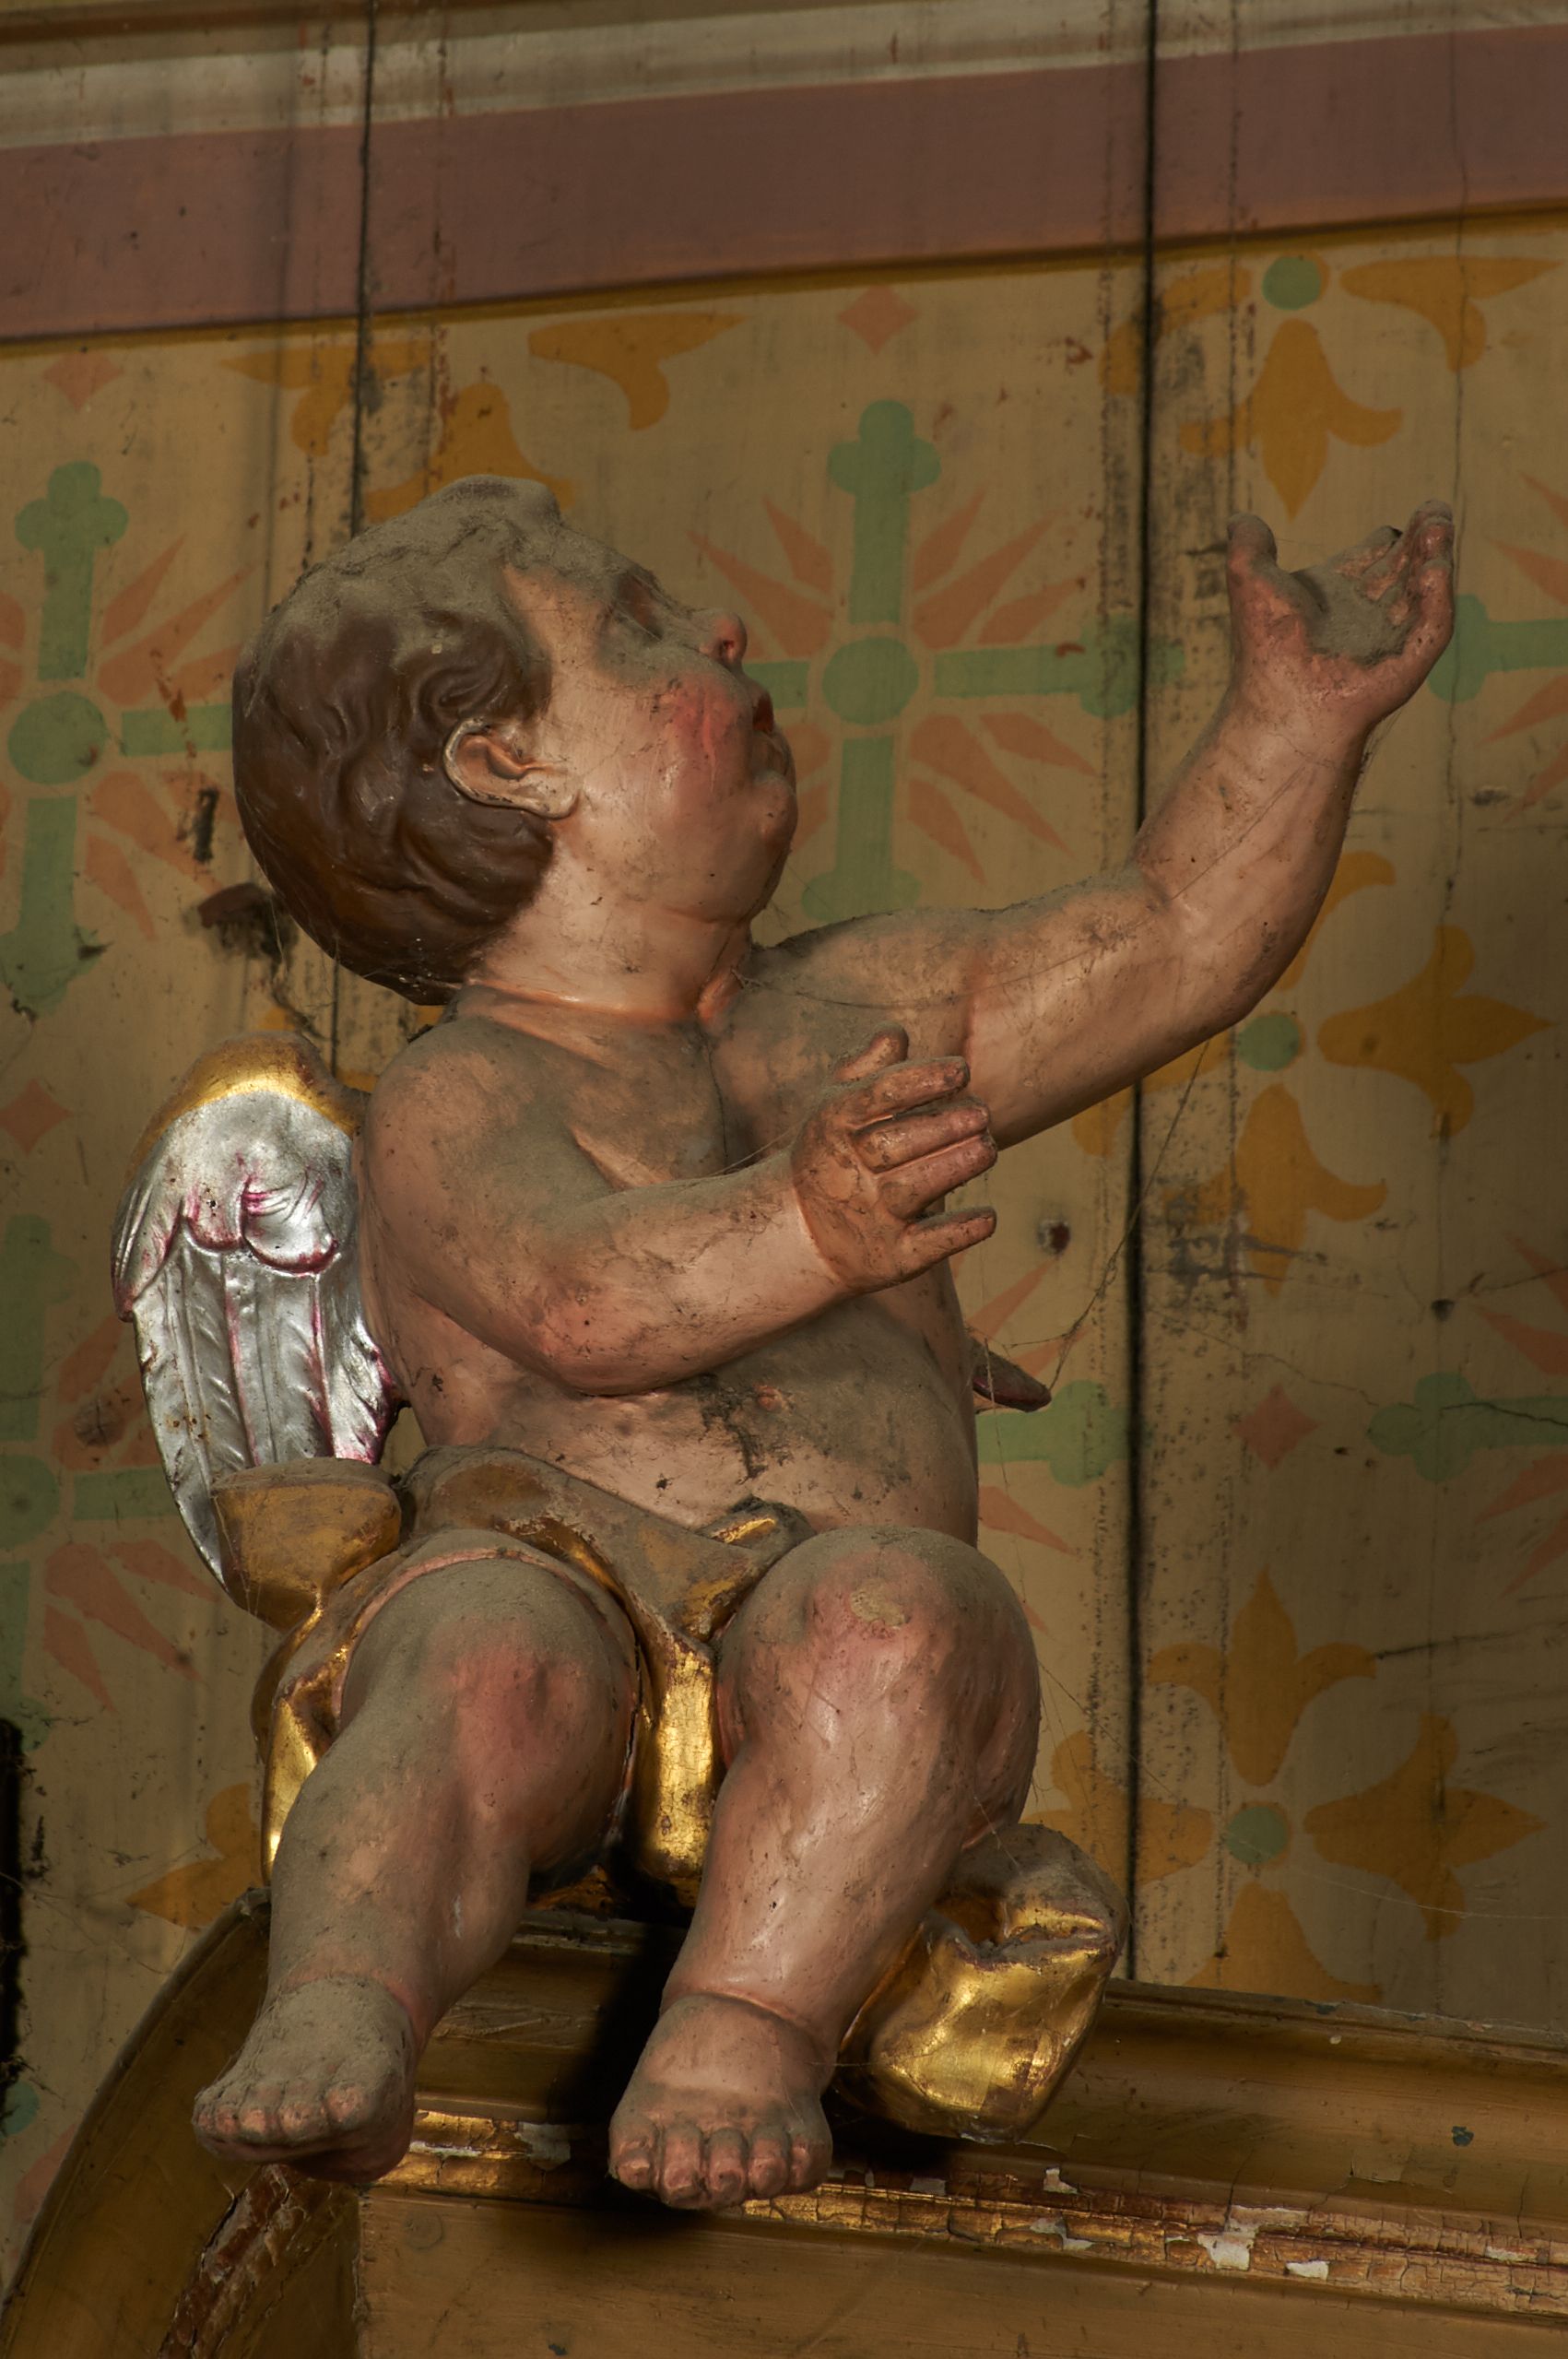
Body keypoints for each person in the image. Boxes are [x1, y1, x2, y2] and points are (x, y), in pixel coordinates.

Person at [193, 474, 1454, 2209]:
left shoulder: (864, 1008)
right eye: (637, 624)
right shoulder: (461, 1093)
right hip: (562, 1574)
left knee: (909, 1620)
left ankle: (743, 2027)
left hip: (828, 1592)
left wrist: (1294, 727)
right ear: (505, 763)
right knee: (472, 1664)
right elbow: (579, 1300)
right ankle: (346, 1992)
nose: (716, 627)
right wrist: (810, 1224)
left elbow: (1167, 939)